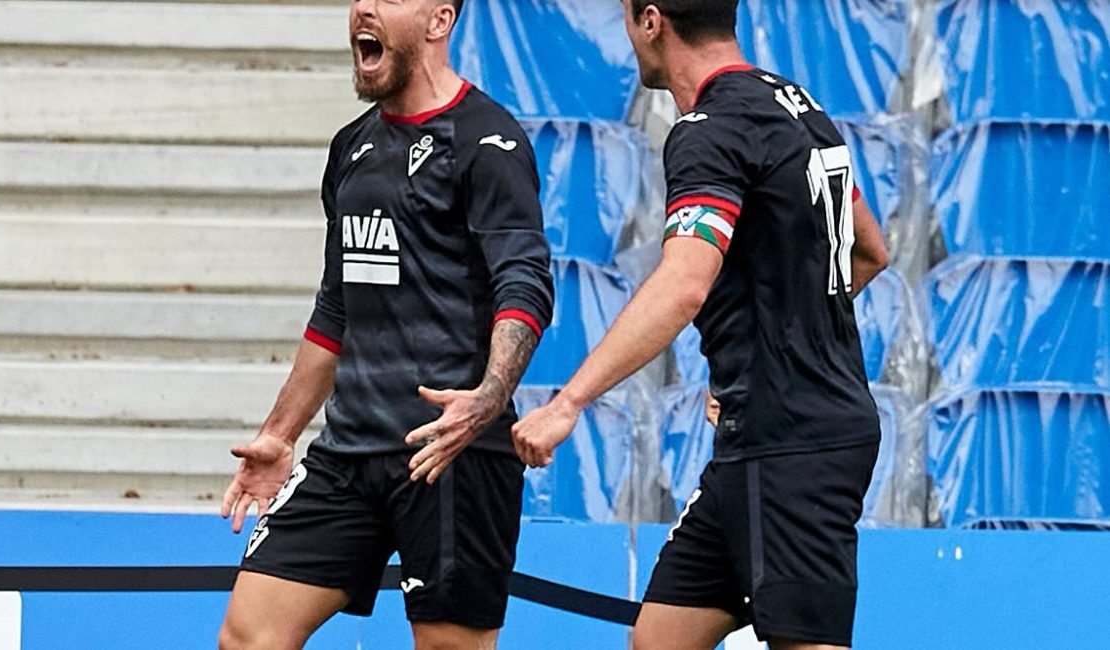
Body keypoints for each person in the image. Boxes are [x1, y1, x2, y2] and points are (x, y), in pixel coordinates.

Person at [514, 1, 889, 648]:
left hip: (792, 445)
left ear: (650, 20)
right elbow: (870, 251)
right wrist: (778, 341)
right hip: (763, 435)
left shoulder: (709, 131)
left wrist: (568, 402)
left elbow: (684, 284)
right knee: (658, 638)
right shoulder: (798, 106)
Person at [216, 0, 554, 647]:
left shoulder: (488, 141)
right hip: (348, 455)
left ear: (439, 21)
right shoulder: (352, 147)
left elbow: (525, 284)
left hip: (449, 450)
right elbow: (335, 310)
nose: (364, 7)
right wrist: (279, 435)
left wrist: (488, 399)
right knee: (248, 635)